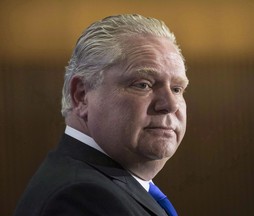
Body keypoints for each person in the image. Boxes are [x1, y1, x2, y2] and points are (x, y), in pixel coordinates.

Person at [14, 14, 189, 216]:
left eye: (177, 89)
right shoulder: (82, 197)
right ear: (81, 96)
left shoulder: (102, 185)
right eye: (143, 85)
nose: (170, 104)